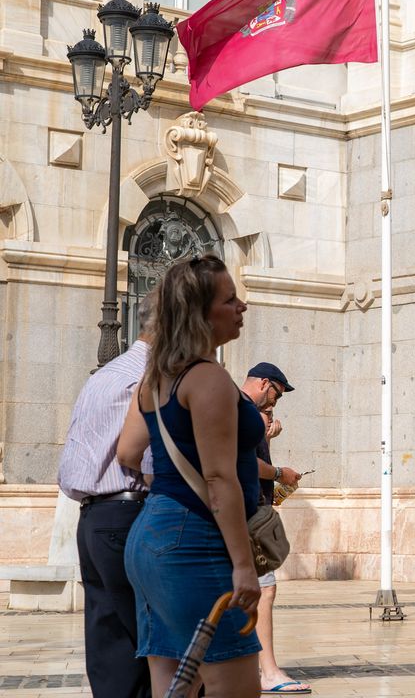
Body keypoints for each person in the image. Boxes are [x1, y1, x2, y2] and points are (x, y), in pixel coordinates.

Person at [116, 255, 264, 697]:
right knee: (233, 683)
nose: (241, 307)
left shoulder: (156, 378)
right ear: (201, 313)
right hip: (194, 539)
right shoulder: (209, 379)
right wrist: (243, 565)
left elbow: (127, 452)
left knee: (174, 687)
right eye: (230, 299)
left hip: (150, 536)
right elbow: (219, 480)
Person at [57, 291, 158, 698]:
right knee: (152, 645)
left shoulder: (106, 374)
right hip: (128, 514)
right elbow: (149, 462)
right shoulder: (147, 378)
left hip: (93, 516)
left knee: (110, 645)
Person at [241, 363, 309, 695]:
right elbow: (241, 461)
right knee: (265, 589)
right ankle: (268, 671)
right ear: (265, 383)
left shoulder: (241, 412)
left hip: (240, 510)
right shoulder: (244, 411)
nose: (274, 404)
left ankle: (246, 667)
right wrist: (281, 473)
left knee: (245, 593)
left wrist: (264, 438)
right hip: (247, 514)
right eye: (276, 395)